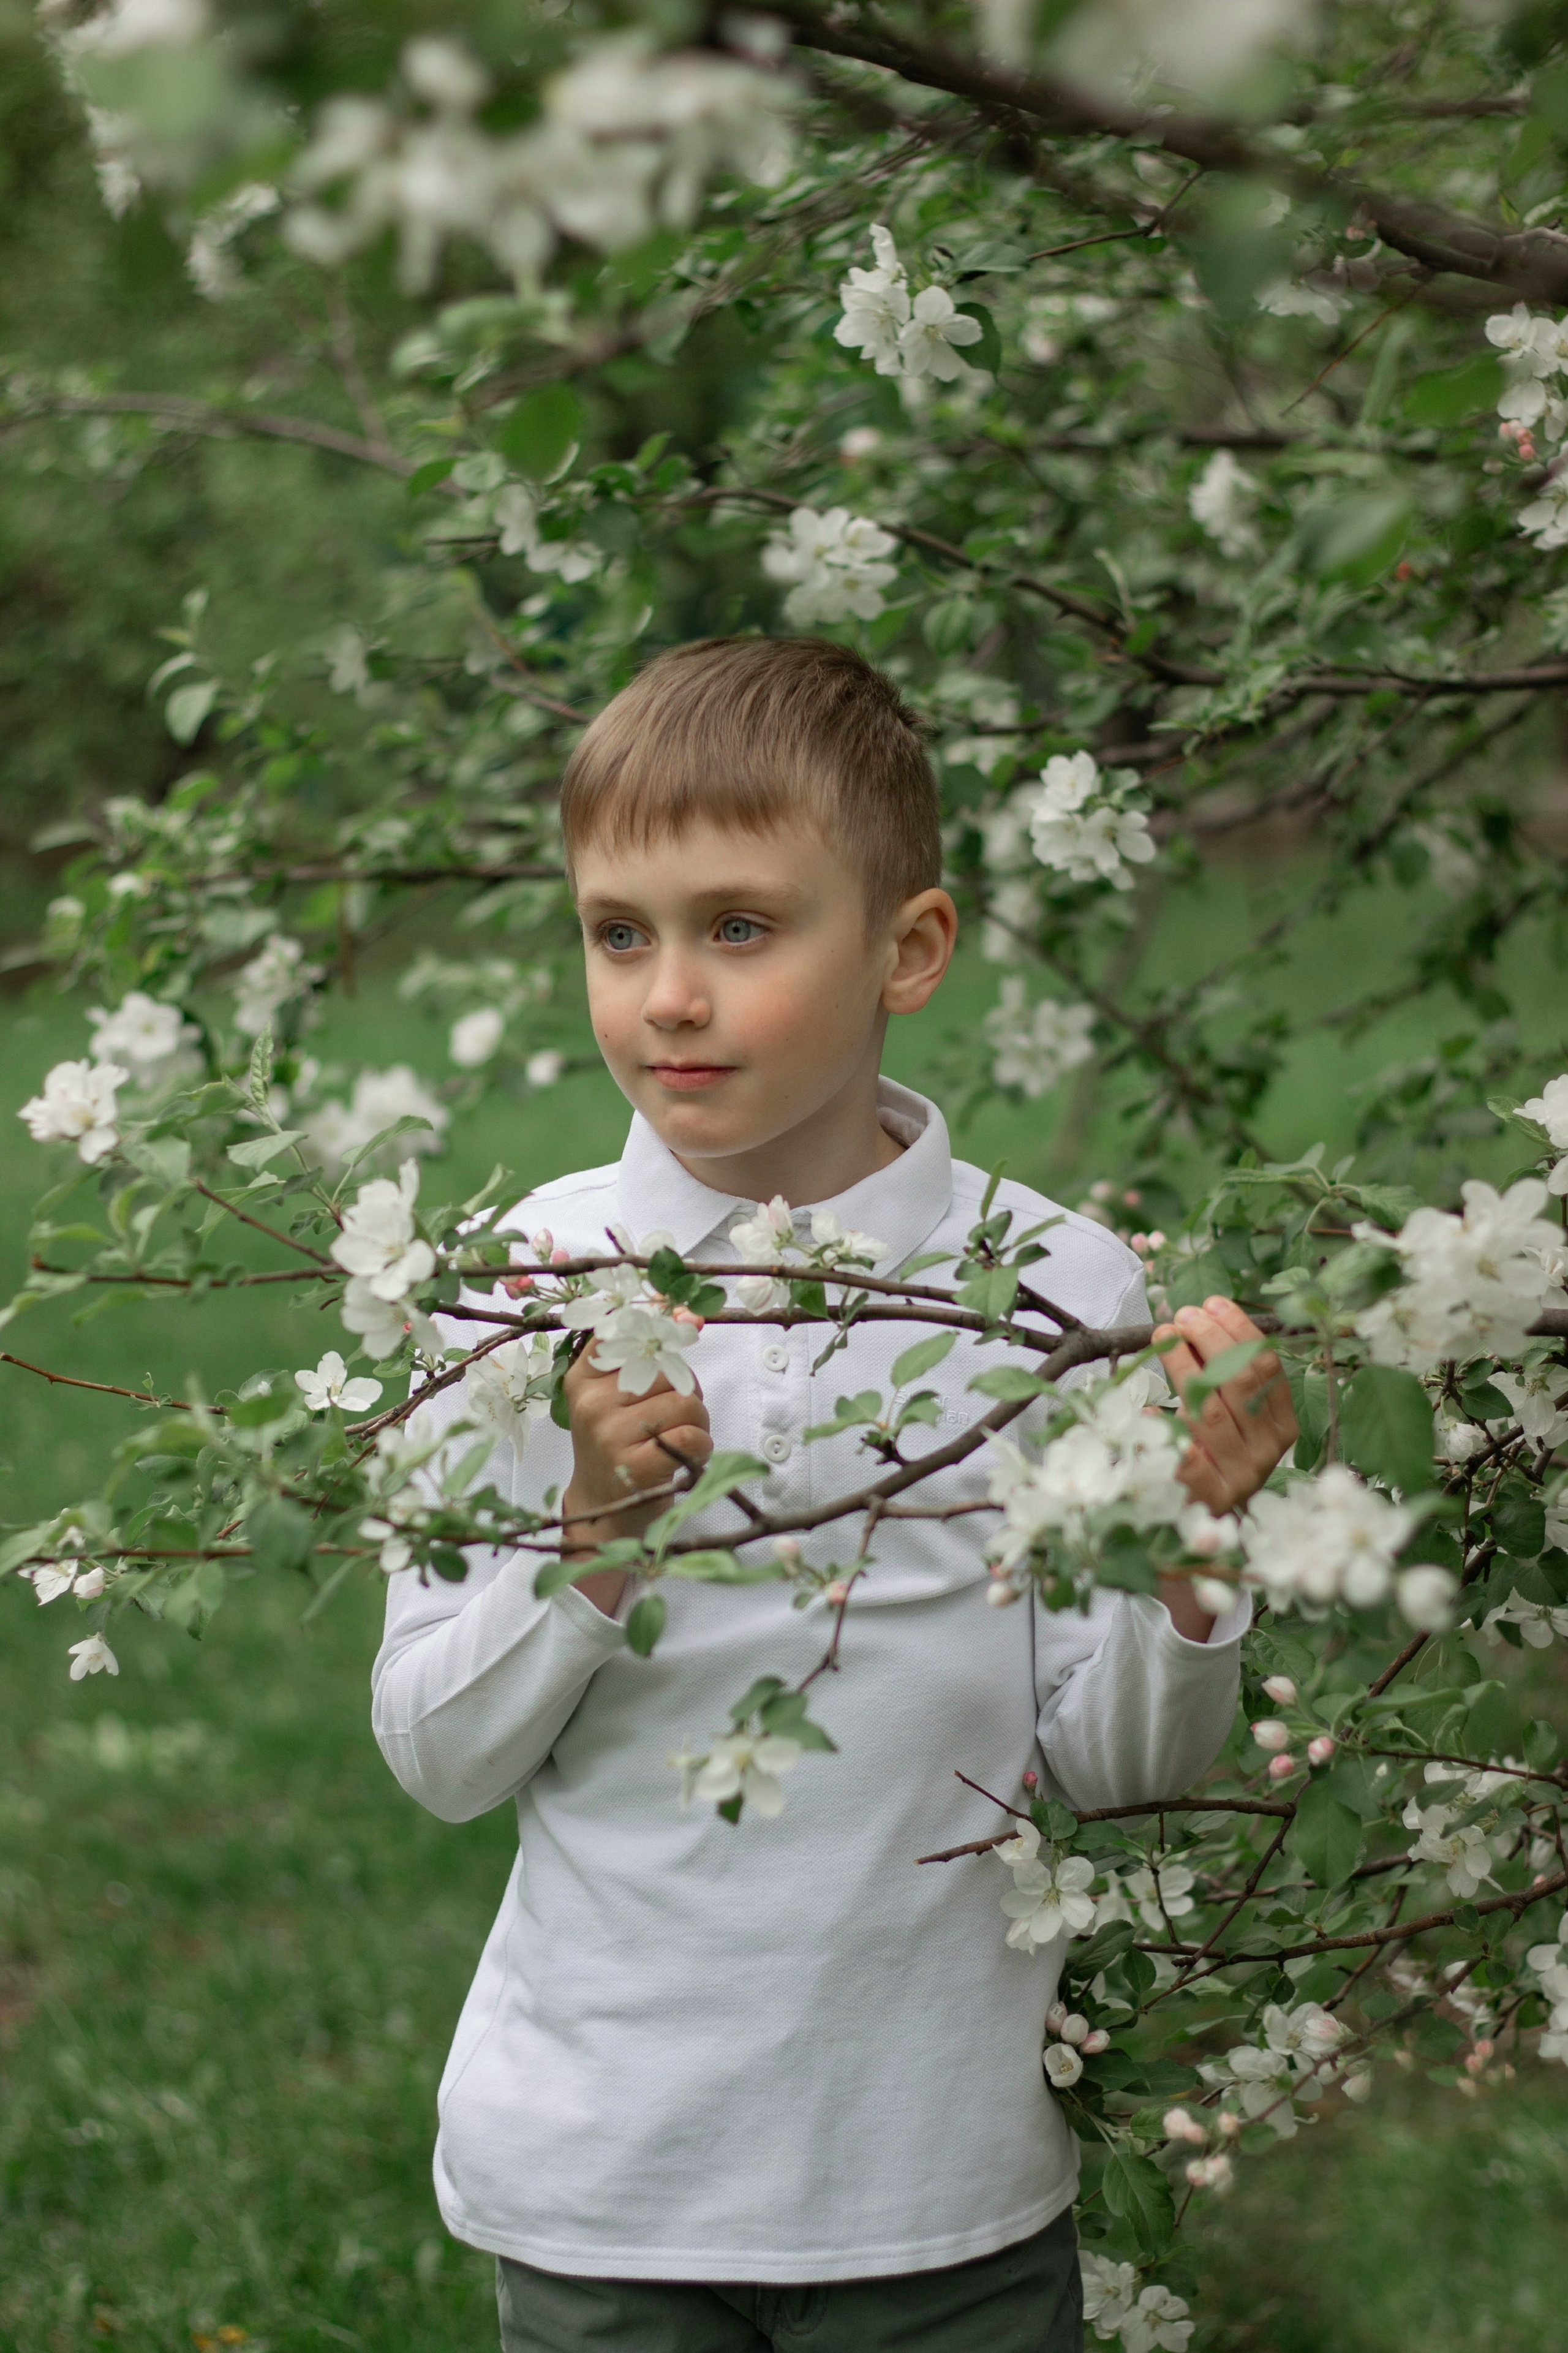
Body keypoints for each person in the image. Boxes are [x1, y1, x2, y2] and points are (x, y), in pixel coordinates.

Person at [371, 636, 1297, 2353]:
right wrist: (589, 1542)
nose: (668, 996)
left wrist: (1191, 1549)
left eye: (741, 926)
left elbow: (1119, 1763)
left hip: (929, 2179)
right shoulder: (516, 1292)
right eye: (617, 930)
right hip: (602, 2176)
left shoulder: (1050, 1291)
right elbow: (439, 1755)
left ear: (910, 946)